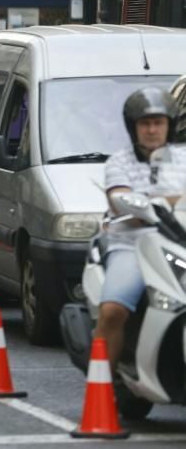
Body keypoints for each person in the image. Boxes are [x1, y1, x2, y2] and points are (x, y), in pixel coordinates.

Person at [96, 87, 186, 372]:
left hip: (179, 244)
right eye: (145, 124)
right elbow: (121, 201)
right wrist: (166, 202)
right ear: (132, 127)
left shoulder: (183, 159)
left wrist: (153, 202)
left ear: (169, 125)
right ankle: (101, 386)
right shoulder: (118, 162)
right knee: (112, 311)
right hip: (133, 245)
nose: (151, 130)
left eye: (158, 123)